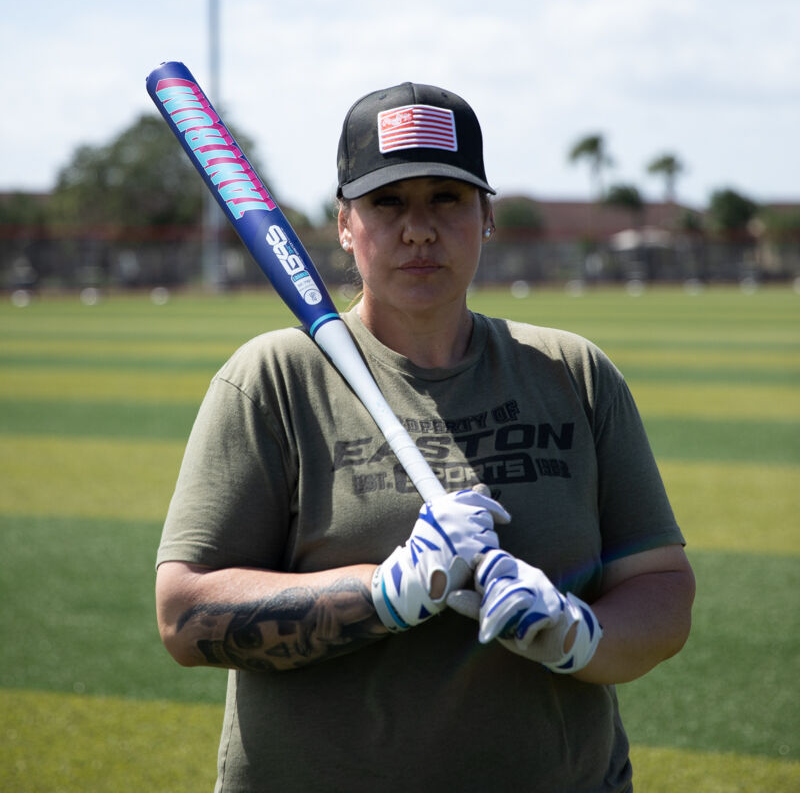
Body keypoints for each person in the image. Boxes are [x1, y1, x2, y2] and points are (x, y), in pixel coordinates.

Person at [155, 81, 695, 792]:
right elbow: (185, 616)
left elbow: (661, 589)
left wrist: (576, 634)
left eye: (446, 197)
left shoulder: (572, 373)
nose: (419, 229)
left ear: (485, 216)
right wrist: (383, 594)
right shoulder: (274, 379)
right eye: (387, 202)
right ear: (344, 223)